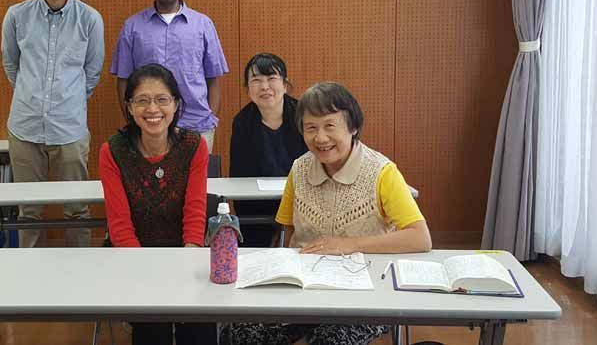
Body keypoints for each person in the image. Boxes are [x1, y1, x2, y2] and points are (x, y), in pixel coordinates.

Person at [229, 82, 432, 345]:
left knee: (330, 339)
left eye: (330, 126)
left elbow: (420, 238)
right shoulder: (299, 169)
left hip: (365, 293)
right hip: (305, 292)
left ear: (353, 126)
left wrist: (347, 245)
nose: (320, 138)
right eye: (311, 128)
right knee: (241, 332)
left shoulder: (382, 172)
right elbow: (290, 232)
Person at [99, 63, 217, 345]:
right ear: (129, 107)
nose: (153, 109)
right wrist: (147, 273)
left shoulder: (193, 145)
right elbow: (120, 226)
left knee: (198, 325)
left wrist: (187, 264)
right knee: (152, 327)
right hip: (135, 257)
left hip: (186, 252)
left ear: (176, 104)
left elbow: (195, 211)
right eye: (142, 100)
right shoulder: (113, 150)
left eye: (162, 99)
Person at [1, 0, 104, 248]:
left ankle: (80, 271)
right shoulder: (17, 15)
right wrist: (31, 95)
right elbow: (11, 64)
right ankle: (28, 273)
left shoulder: (89, 19)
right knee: (28, 209)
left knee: (76, 208)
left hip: (69, 128)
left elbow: (92, 71)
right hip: (25, 125)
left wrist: (67, 101)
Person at [110, 0, 229, 152]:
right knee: (151, 183)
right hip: (149, 125)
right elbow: (123, 80)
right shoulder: (132, 27)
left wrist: (211, 119)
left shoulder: (203, 25)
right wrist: (133, 120)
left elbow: (213, 79)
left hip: (197, 126)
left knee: (195, 183)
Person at [230, 53, 307, 247]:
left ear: (285, 84)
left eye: (271, 78)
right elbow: (239, 177)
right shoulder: (242, 122)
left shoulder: (304, 115)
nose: (264, 86)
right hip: (258, 204)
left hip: (303, 199)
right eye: (256, 80)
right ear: (248, 89)